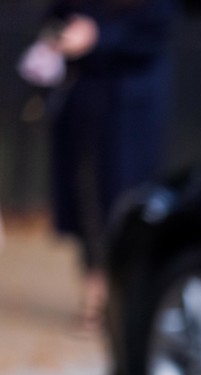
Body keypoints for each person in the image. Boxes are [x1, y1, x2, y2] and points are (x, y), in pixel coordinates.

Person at [32, 0, 178, 332]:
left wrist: (99, 36)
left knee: (123, 195)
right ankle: (95, 285)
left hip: (131, 103)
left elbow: (154, 32)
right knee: (82, 192)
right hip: (83, 96)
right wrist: (62, 33)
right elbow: (57, 13)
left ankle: (119, 292)